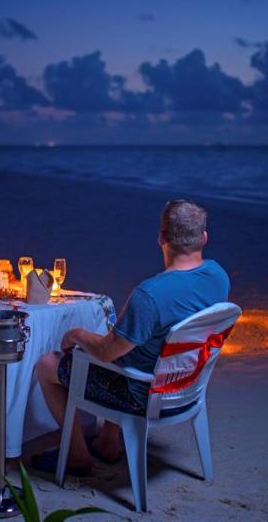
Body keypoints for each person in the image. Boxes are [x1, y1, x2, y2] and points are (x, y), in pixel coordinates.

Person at [33, 199, 230, 476]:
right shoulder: (218, 276)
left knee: (47, 364)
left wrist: (75, 334)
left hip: (143, 395)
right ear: (204, 238)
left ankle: (77, 456)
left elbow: (105, 353)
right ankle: (108, 442)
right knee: (133, 346)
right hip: (186, 387)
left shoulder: (150, 295)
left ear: (162, 238)